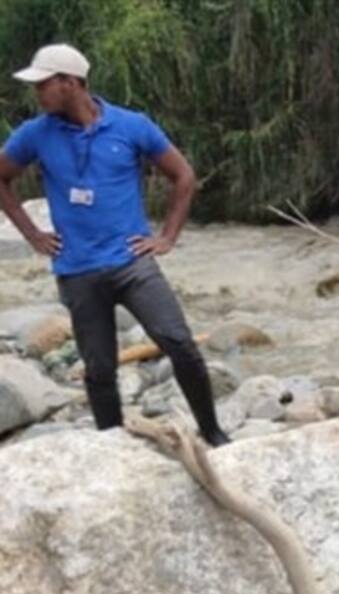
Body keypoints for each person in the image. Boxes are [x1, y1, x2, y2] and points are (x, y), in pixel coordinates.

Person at [0, 44, 229, 446]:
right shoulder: (35, 133)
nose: (37, 93)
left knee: (180, 344)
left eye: (44, 85)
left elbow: (184, 176)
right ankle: (112, 447)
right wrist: (32, 235)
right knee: (99, 369)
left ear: (70, 84)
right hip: (77, 270)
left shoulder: (131, 126)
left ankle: (213, 433)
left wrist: (167, 237)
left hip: (132, 264)